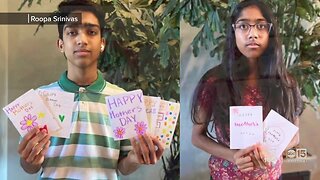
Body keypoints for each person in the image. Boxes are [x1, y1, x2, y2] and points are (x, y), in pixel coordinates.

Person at [17, 0, 164, 179]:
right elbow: (29, 167)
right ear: (61, 44)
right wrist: (30, 160)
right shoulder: (40, 99)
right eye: (72, 32)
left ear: (102, 43)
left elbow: (123, 167)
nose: (82, 40)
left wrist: (135, 158)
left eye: (91, 32)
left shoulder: (122, 100)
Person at [191, 0, 303, 179]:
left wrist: (268, 151)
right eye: (244, 26)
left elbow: (295, 137)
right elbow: (197, 137)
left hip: (270, 176)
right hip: (225, 175)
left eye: (261, 26)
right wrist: (234, 156)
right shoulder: (214, 81)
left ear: (270, 32)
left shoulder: (285, 82)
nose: (253, 34)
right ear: (233, 31)